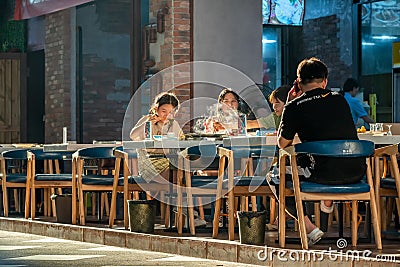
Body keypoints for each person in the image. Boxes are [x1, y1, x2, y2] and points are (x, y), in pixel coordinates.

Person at [277, 57, 366, 246]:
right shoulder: (340, 100)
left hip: (323, 174)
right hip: (356, 172)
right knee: (321, 163)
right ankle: (325, 216)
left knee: (276, 176)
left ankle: (310, 228)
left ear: (298, 83)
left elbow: (282, 144)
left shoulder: (294, 106)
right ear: (325, 81)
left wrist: (289, 103)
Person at [130, 91, 183, 183]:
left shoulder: (173, 124)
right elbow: (133, 135)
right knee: (176, 170)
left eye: (171, 112)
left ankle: (173, 195)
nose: (167, 115)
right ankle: (172, 194)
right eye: (163, 111)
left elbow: (181, 141)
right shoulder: (147, 120)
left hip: (169, 160)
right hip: (149, 161)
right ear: (156, 109)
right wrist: (148, 123)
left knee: (182, 167)